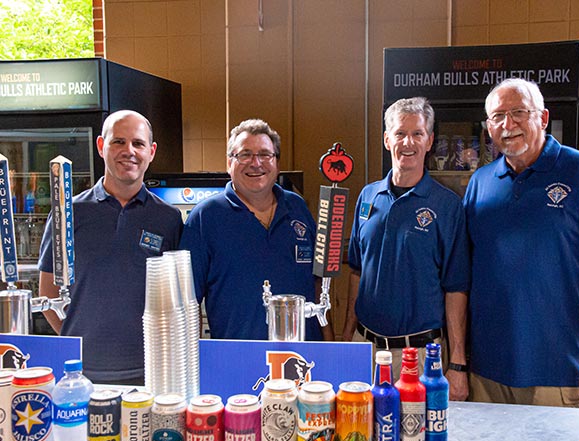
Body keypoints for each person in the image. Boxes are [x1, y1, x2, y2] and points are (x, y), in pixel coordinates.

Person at [463, 78, 579, 407]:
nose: (508, 124)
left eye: (518, 112)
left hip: (561, 375)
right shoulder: (480, 183)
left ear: (543, 118)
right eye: (497, 116)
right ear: (488, 127)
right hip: (486, 375)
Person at [38, 110, 183, 385]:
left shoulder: (168, 219)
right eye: (118, 142)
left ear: (151, 152)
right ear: (101, 146)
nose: (128, 151)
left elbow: (176, 301)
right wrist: (78, 340)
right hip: (81, 375)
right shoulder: (68, 213)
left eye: (138, 143)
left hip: (151, 375)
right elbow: (48, 294)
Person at [341, 97, 471, 401]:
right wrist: (348, 336)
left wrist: (458, 364)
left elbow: (456, 289)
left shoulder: (447, 206)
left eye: (417, 134)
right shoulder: (368, 197)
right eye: (400, 134)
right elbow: (356, 272)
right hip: (367, 349)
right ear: (388, 140)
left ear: (430, 141)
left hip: (421, 356)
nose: (408, 142)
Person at [180, 118, 332, 341]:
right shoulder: (205, 217)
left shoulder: (297, 207)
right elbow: (187, 302)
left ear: (276, 163)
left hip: (303, 356)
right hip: (237, 360)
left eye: (264, 155)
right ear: (229, 163)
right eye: (245, 154)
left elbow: (318, 282)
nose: (256, 163)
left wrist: (331, 344)